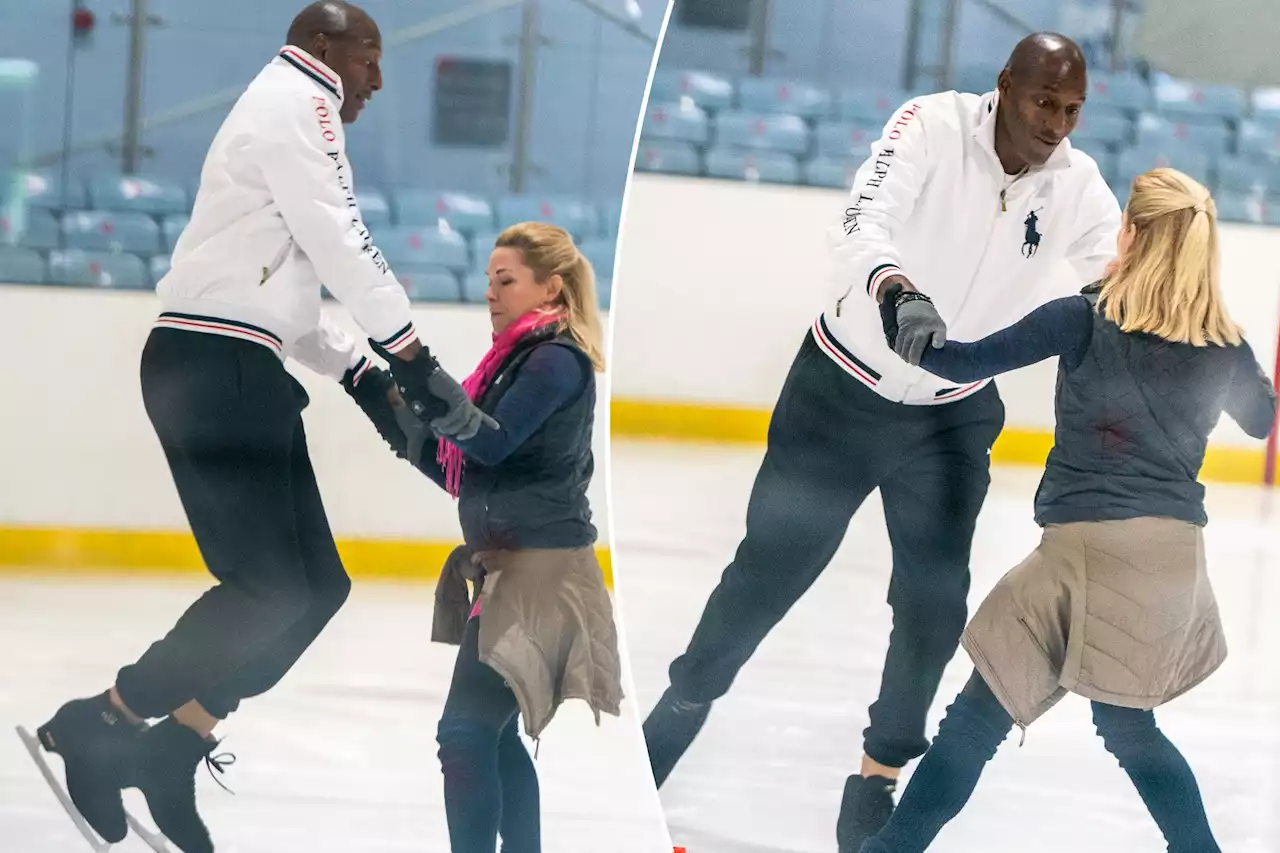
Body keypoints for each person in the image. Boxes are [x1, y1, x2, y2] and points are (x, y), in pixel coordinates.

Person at [641, 32, 1124, 852]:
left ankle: (878, 776)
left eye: (1073, 110)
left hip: (951, 416)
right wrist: (895, 290)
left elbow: (1116, 271)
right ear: (1005, 85)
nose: (1057, 124)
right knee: (765, 578)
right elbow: (866, 216)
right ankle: (678, 713)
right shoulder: (930, 127)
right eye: (1045, 102)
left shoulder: (1076, 183)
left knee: (934, 606)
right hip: (839, 394)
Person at [28, 3, 494, 851]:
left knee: (318, 589)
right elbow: (342, 239)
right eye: (369, 58)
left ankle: (176, 743)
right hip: (213, 367)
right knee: (269, 587)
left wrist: (366, 376)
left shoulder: (286, 112)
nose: (377, 80)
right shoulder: (300, 99)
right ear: (324, 49)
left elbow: (289, 285)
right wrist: (416, 360)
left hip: (243, 365)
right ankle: (102, 718)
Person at [859, 167, 1277, 852]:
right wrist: (1244, 362)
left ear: (1132, 233)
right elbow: (1261, 422)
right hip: (1167, 561)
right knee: (1128, 728)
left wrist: (904, 315)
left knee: (975, 721)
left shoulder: (1084, 317)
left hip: (1083, 548)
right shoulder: (1220, 344)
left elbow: (960, 363)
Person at [349, 222, 624, 853]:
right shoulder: (516, 361)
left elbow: (490, 442)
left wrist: (421, 368)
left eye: (506, 281)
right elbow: (448, 457)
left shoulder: (554, 361)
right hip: (517, 573)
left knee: (466, 732)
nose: (492, 295)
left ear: (549, 286)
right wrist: (362, 379)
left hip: (541, 576)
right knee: (490, 734)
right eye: (488, 282)